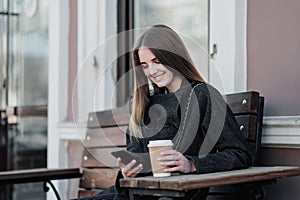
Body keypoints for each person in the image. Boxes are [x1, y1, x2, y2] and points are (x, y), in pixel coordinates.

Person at [76, 24, 251, 200]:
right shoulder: (143, 103)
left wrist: (191, 164)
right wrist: (127, 171)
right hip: (136, 194)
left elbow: (239, 155)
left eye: (157, 62)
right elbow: (134, 159)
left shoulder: (203, 96)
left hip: (174, 195)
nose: (151, 72)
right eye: (144, 65)